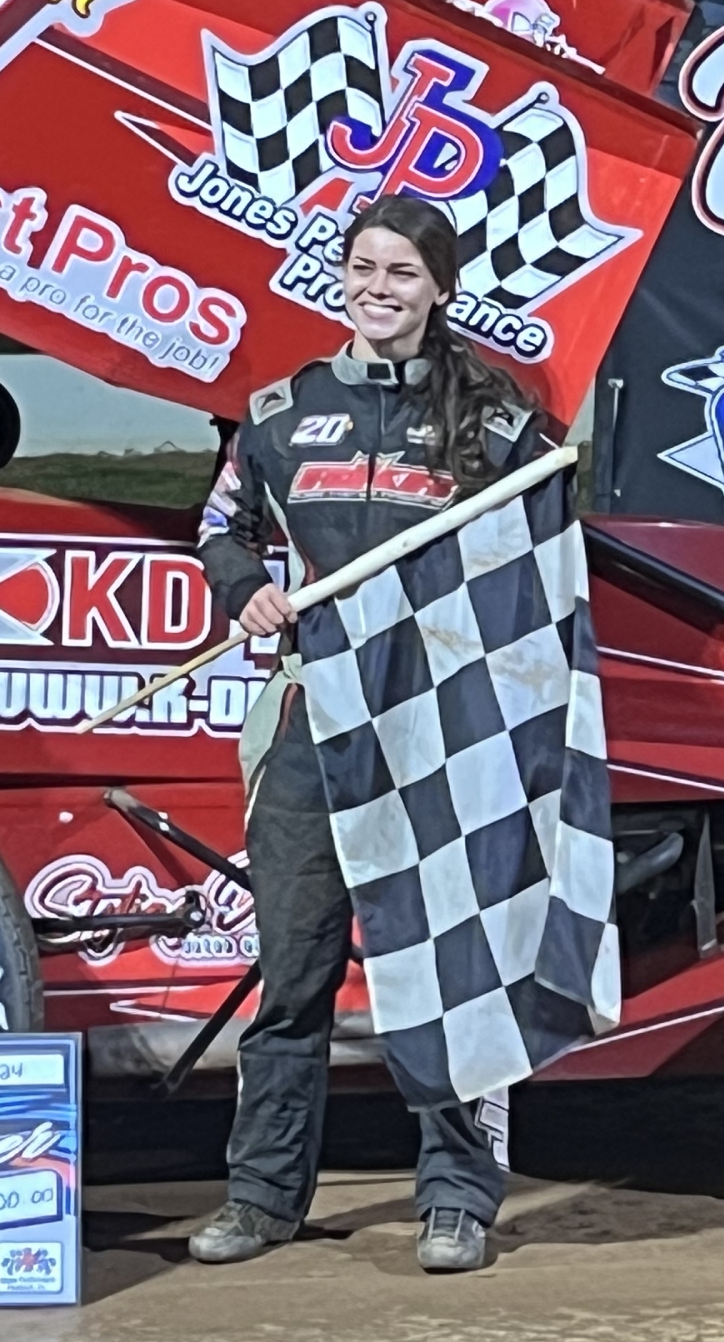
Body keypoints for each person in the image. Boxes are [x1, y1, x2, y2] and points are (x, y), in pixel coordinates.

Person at [186, 193, 549, 1275]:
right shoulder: (283, 412)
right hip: (314, 717)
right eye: (363, 268)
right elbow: (219, 525)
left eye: (402, 272)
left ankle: (454, 1200)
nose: (377, 288)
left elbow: (540, 561)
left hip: (440, 720)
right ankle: (261, 1197)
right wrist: (246, 587)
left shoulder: (496, 416)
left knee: (446, 972)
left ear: (439, 288)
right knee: (292, 971)